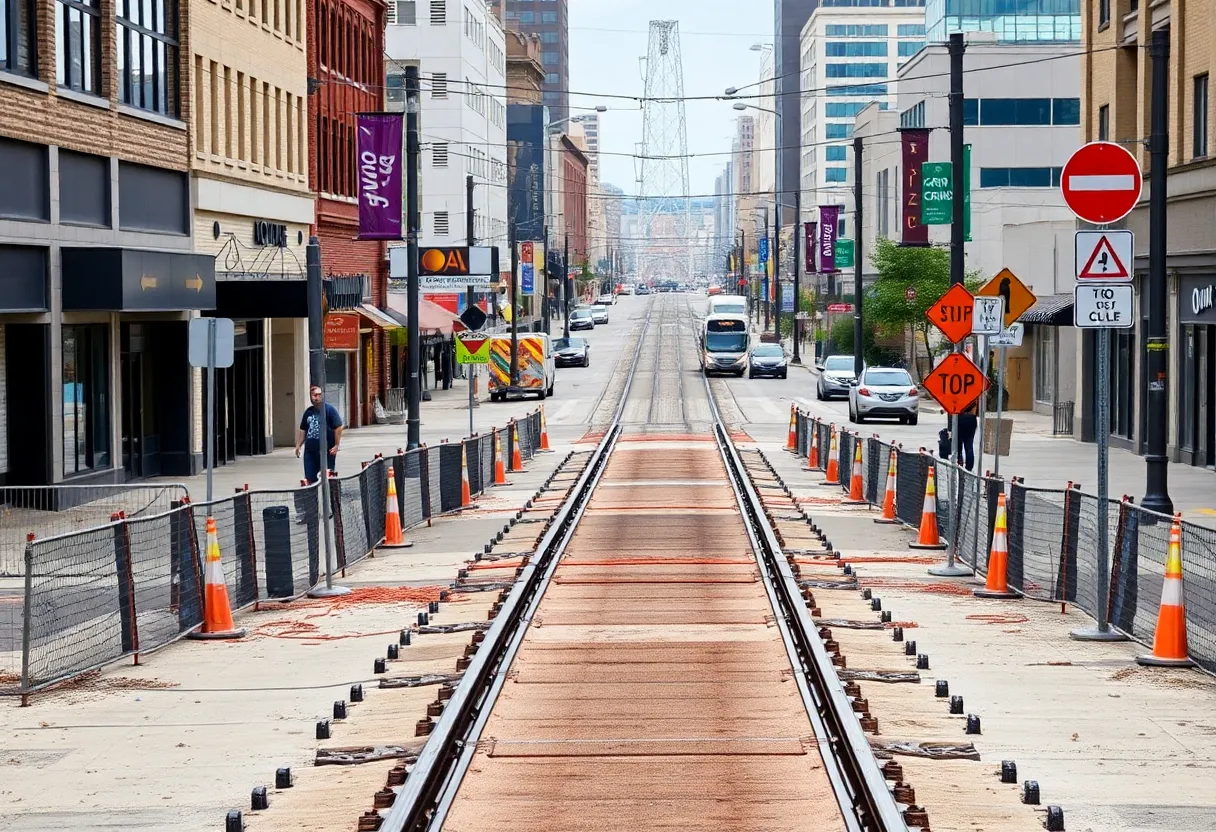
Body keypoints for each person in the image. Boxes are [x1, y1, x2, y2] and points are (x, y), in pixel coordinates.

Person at [295, 386, 343, 483]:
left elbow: (338, 427)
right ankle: (313, 497)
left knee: (327, 477)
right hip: (310, 451)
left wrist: (336, 445)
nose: (315, 398)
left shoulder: (329, 410)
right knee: (310, 478)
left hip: (326, 450)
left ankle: (331, 497)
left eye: (318, 395)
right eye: (313, 395)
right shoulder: (308, 412)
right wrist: (298, 445)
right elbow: (303, 429)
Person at [956, 400, 979, 471]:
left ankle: (959, 461)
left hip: (960, 417)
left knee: (958, 443)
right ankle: (969, 466)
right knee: (969, 445)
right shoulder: (973, 395)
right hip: (971, 418)